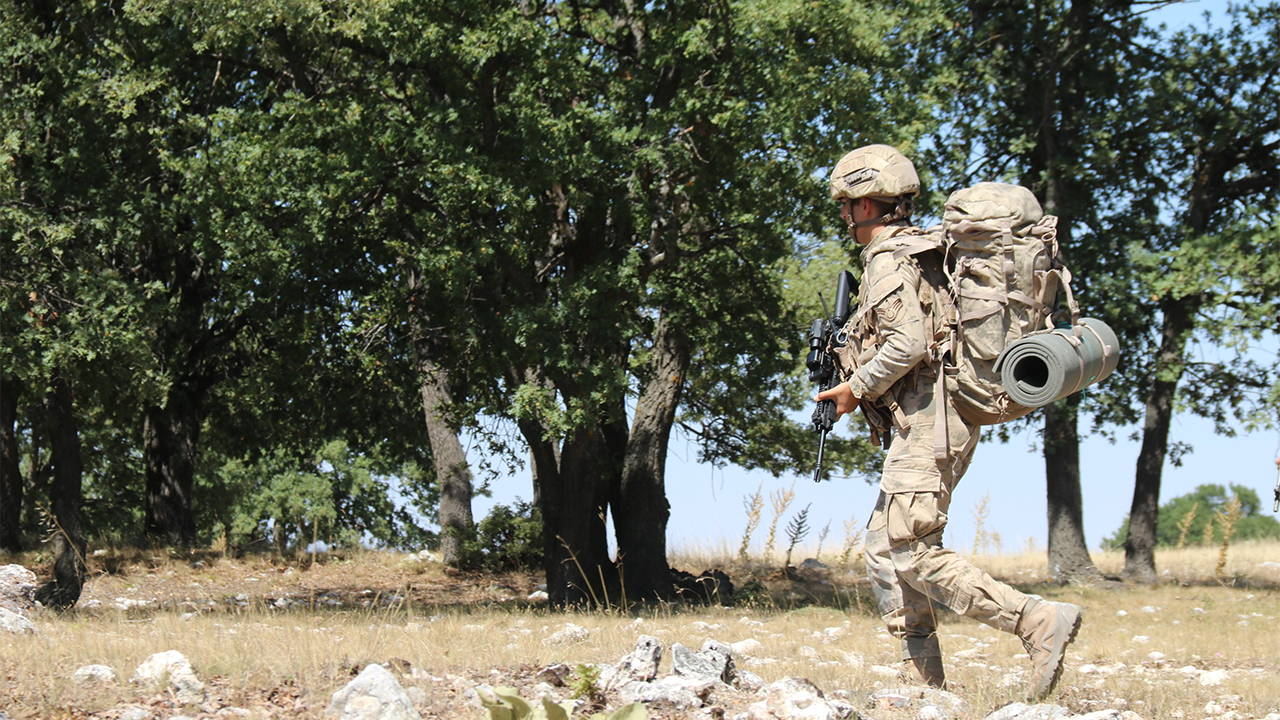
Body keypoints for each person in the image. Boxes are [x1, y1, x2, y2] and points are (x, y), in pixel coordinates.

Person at [816, 144, 1081, 700]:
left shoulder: (890, 260)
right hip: (939, 415)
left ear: (866, 205)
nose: (844, 216)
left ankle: (1035, 619)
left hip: (930, 420)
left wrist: (854, 388)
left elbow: (909, 341)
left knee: (910, 548)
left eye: (846, 205)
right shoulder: (924, 250)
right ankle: (925, 686)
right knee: (883, 547)